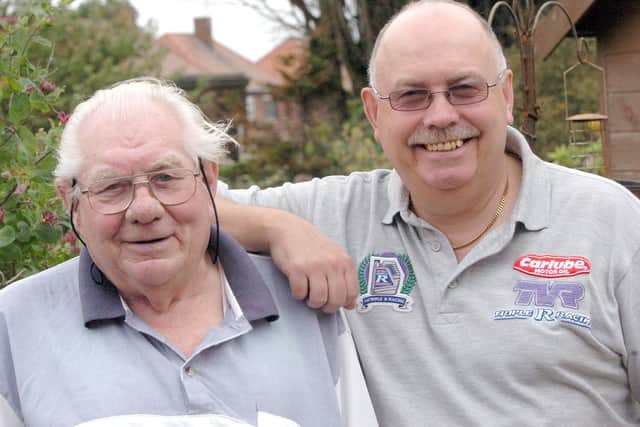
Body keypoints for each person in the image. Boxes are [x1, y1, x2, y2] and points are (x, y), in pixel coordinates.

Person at [216, 0, 640, 425]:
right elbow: (186, 203)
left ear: (506, 95)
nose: (440, 116)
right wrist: (278, 227)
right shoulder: (337, 215)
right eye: (411, 95)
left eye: (465, 89)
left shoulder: (611, 222)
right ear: (373, 112)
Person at [0, 78, 377, 427]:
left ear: (209, 180)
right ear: (71, 202)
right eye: (112, 186)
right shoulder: (12, 326)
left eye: (166, 178)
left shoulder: (309, 310)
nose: (144, 209)